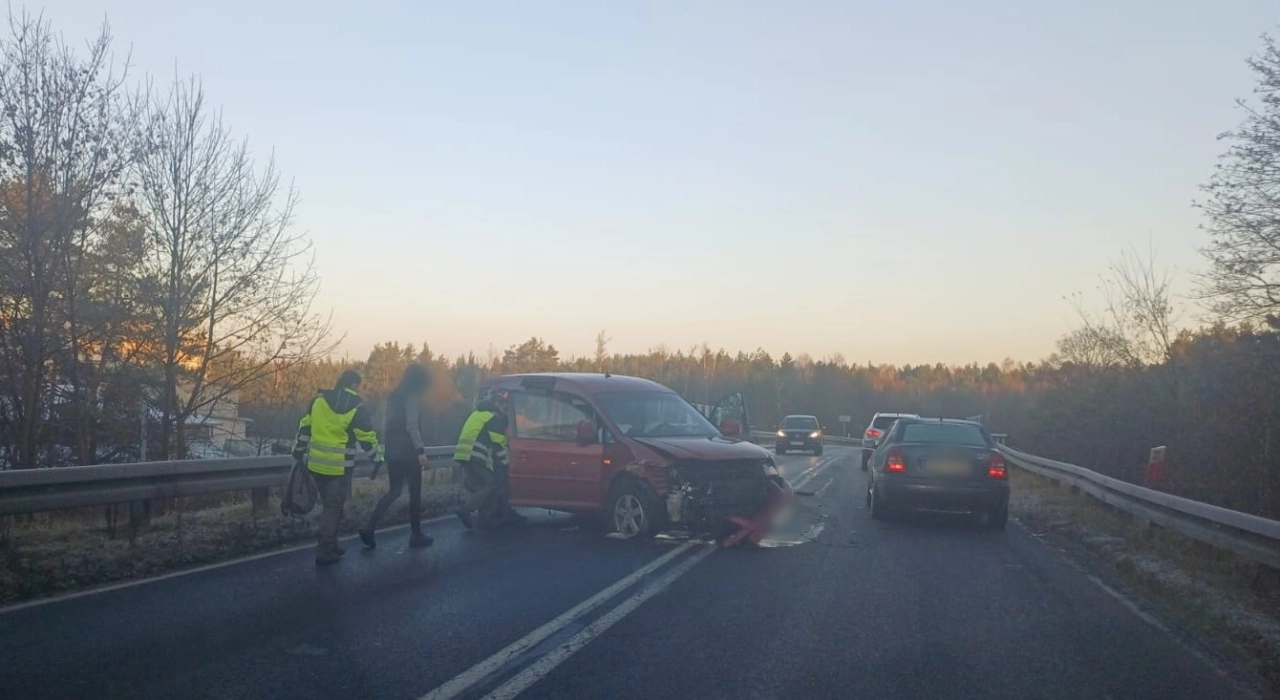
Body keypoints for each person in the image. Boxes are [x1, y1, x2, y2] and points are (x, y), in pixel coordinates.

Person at [292, 369, 383, 565]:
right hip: (339, 468)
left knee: (330, 506)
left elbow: (304, 427)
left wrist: (298, 450)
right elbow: (366, 438)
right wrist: (377, 459)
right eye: (359, 386)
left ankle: (332, 544)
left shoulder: (318, 401)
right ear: (353, 385)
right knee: (333, 509)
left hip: (316, 465)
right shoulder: (357, 407)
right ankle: (324, 550)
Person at [360, 363, 433, 549]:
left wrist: (388, 447)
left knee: (394, 491)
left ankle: (369, 527)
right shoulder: (412, 396)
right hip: (409, 452)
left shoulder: (394, 395)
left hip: (392, 450)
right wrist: (420, 452)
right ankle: (416, 535)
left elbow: (388, 423)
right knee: (414, 494)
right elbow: (412, 426)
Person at [453, 389, 525, 528]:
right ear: (499, 405)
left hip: (464, 453)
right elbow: (499, 445)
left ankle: (486, 517)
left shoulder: (479, 412)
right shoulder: (494, 418)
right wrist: (507, 465)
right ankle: (466, 509)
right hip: (475, 455)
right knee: (491, 483)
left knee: (480, 485)